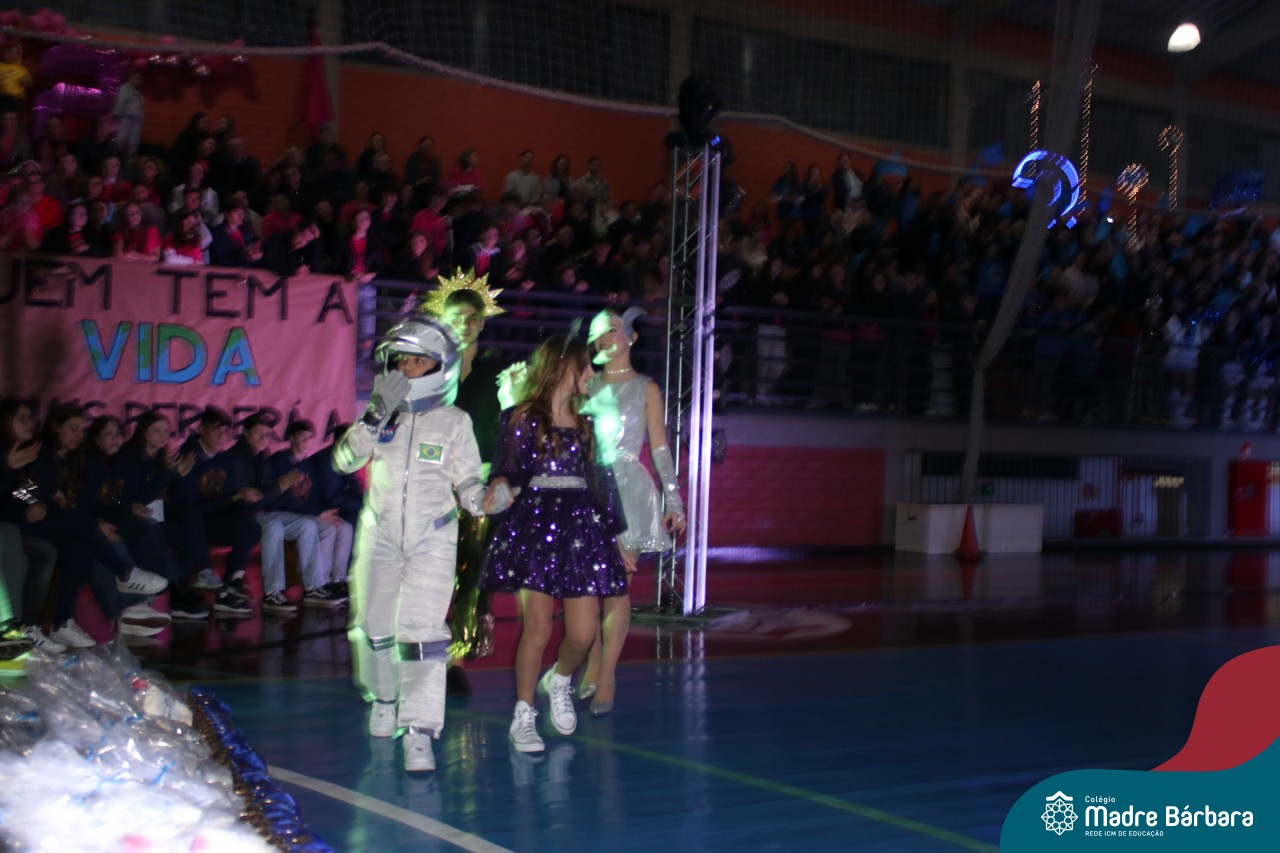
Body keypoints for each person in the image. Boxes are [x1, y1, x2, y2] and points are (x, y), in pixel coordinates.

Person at [334, 316, 491, 773]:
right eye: (400, 360)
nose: (406, 368)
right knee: (373, 627)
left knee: (422, 635)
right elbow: (344, 461)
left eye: (418, 361)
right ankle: (384, 699)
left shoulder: (455, 421)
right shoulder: (379, 413)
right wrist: (374, 415)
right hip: (379, 533)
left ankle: (420, 731)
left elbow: (468, 482)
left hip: (433, 537)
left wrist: (484, 500)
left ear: (439, 366)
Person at [481, 332, 634, 754]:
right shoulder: (520, 418)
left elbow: (602, 486)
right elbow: (505, 471)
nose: (591, 375)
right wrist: (498, 486)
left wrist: (618, 539)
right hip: (536, 528)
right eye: (586, 367)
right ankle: (524, 713)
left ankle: (560, 679)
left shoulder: (587, 427)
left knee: (583, 635)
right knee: (538, 627)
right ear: (566, 367)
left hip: (581, 532)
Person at [579, 308, 686, 714]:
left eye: (611, 330)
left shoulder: (646, 388)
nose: (604, 338)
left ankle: (606, 675)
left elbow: (659, 447)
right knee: (585, 590)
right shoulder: (584, 383)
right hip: (587, 487)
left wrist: (673, 499)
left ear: (630, 337)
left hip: (629, 490)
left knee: (615, 588)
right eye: (597, 333)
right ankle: (592, 663)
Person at [429, 279, 507, 695]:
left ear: (483, 322)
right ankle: (419, 653)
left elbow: (508, 426)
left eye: (473, 318)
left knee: (470, 571)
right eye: (457, 317)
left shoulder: (497, 372)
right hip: (430, 484)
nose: (465, 324)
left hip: (478, 483)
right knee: (429, 570)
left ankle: (454, 660)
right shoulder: (424, 367)